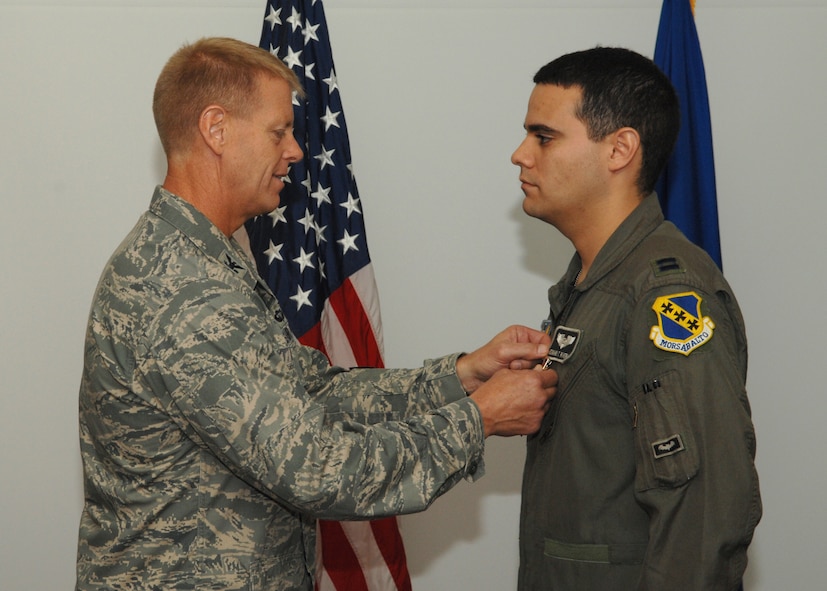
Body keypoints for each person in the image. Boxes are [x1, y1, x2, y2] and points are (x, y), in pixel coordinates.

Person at [75, 37, 558, 591]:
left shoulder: (206, 259)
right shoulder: (183, 289)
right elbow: (320, 469)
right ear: (216, 129)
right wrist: (480, 419)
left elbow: (311, 392)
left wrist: (460, 377)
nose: (296, 151)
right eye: (278, 131)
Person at [511, 47, 761, 590]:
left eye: (543, 137)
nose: (520, 155)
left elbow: (703, 521)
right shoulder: (595, 283)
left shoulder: (663, 295)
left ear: (619, 149)